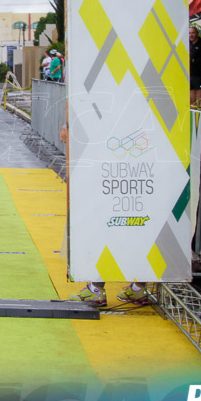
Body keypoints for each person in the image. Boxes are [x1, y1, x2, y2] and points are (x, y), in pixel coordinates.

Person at [57, 123, 150, 307]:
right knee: (134, 213)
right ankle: (139, 286)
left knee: (101, 216)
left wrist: (69, 124)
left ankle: (96, 289)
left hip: (108, 143)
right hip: (136, 140)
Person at [189, 26, 201, 107]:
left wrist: (192, 59)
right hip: (190, 75)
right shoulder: (187, 44)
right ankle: (193, 118)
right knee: (191, 99)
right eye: (189, 33)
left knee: (200, 97)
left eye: (193, 33)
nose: (191, 35)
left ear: (197, 34)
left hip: (198, 75)